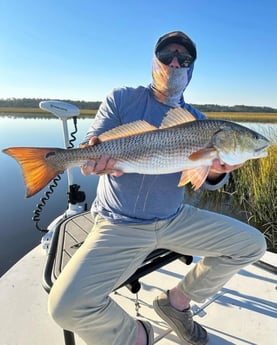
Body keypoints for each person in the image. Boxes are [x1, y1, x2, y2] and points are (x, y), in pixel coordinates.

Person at [48, 31, 266, 345]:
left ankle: (176, 303)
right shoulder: (122, 98)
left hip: (173, 218)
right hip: (118, 222)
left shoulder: (199, 121)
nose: (175, 63)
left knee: (252, 244)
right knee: (65, 306)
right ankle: (140, 336)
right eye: (167, 56)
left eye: (184, 59)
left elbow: (211, 180)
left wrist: (216, 171)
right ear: (155, 62)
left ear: (191, 70)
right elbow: (92, 144)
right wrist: (88, 155)